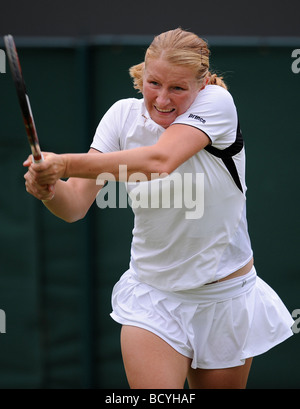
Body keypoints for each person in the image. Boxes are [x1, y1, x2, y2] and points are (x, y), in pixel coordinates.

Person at [23, 28, 294, 389]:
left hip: (224, 299)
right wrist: (49, 189)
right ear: (142, 75)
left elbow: (160, 160)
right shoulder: (121, 117)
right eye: (154, 83)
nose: (162, 99)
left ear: (200, 85)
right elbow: (74, 206)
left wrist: (64, 164)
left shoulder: (216, 104)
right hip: (153, 298)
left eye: (177, 88)